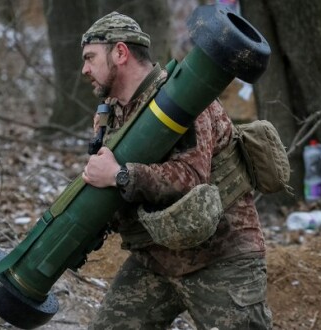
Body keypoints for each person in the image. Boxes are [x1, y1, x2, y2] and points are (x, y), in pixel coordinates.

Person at [80, 12, 273, 330]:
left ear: (120, 52)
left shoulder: (184, 97)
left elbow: (190, 177)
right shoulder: (112, 115)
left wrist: (121, 175)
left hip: (221, 257)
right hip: (156, 260)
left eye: (90, 57)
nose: (84, 69)